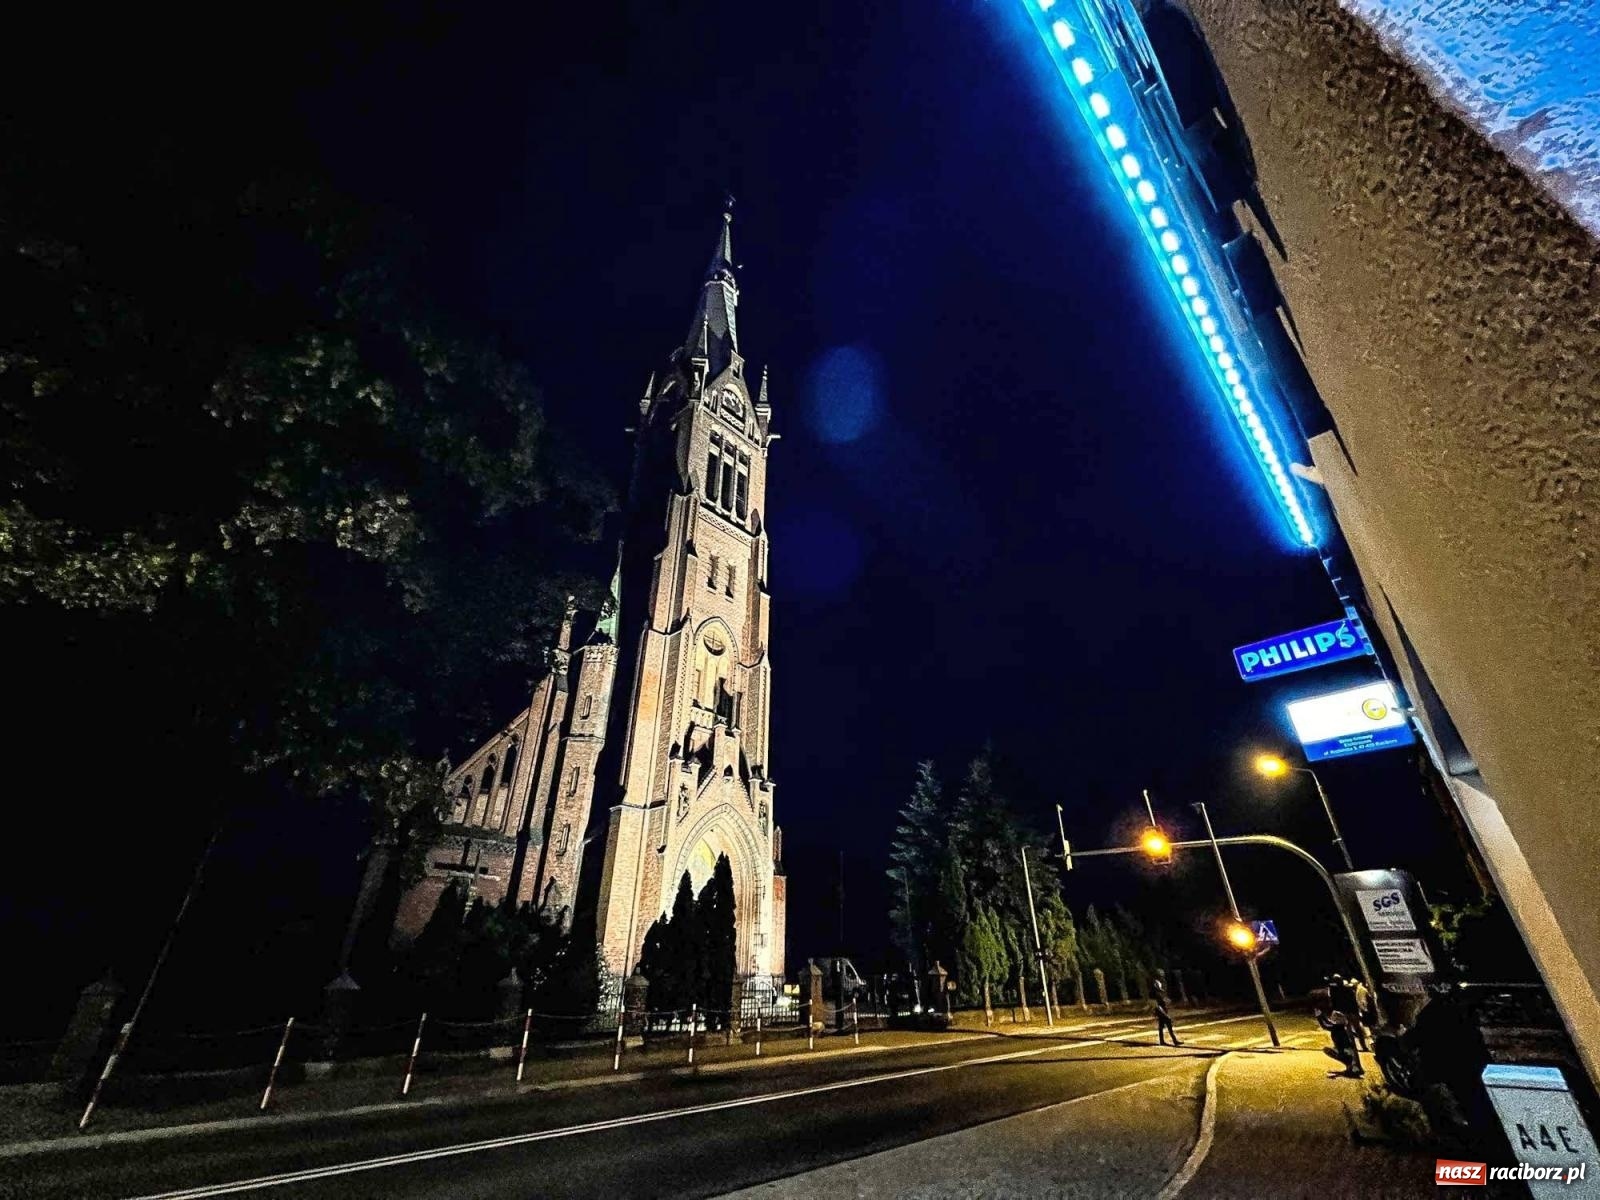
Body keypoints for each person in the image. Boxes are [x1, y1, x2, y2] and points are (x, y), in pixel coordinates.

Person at [1313, 987, 1364, 1078]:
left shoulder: (1337, 1024)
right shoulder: (1339, 1024)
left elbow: (1326, 1025)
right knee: (1342, 1050)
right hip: (1345, 1046)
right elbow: (1328, 1024)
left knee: (1330, 1050)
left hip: (1345, 1048)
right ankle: (1352, 1067)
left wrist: (1319, 1017)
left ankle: (1352, 1067)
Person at [1330, 974, 1368, 1051]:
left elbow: (1334, 1002)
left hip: (1346, 1012)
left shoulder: (1334, 990)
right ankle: (1362, 1046)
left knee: (1350, 1030)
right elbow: (1353, 1000)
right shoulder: (1347, 989)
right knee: (1356, 1029)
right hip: (1350, 1011)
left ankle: (1355, 1046)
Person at [1153, 977, 1181, 1046]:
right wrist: (1164, 1014)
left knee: (1161, 1027)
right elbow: (1158, 1006)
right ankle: (1174, 1040)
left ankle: (1162, 1041)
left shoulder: (1157, 994)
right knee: (1168, 1024)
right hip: (1161, 1012)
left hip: (1160, 1012)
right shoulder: (1157, 995)